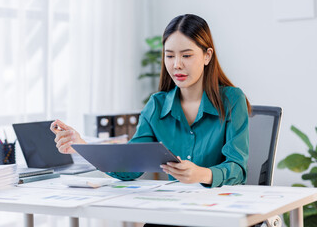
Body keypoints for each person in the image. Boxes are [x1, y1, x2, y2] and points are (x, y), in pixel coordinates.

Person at [51, 13, 250, 189]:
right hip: (174, 209)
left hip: (219, 211)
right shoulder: (157, 106)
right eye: (169, 56)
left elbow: (238, 169)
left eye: (187, 55)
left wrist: (202, 174)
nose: (177, 65)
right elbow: (128, 166)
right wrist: (81, 145)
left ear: (207, 56)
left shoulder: (232, 100)